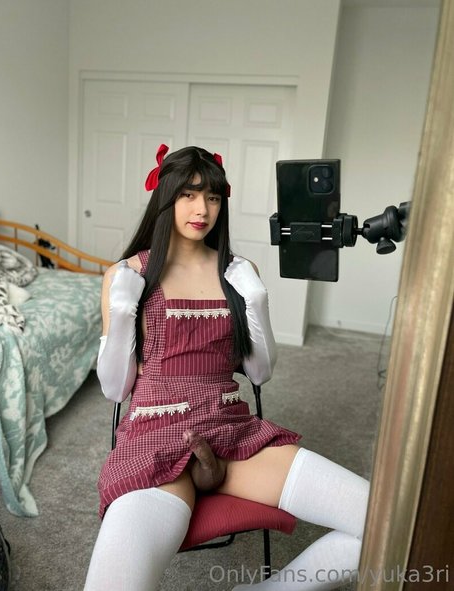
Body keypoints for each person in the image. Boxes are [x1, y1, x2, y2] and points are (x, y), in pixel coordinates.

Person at [84, 145, 369, 591]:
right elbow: (116, 389)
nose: (202, 209)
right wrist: (122, 310)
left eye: (213, 197)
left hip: (232, 432)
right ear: (165, 197)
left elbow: (259, 373)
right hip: (154, 438)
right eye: (189, 195)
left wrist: (255, 300)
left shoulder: (238, 271)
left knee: (383, 521)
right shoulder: (127, 274)